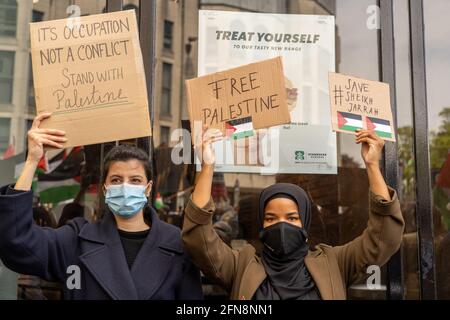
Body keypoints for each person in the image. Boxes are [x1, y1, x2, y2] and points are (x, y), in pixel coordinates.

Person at [182, 127, 405, 300]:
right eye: (271, 218)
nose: (281, 226)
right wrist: (207, 166)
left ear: (305, 222)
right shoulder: (241, 265)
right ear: (261, 224)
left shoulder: (333, 263)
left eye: (292, 218)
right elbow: (199, 238)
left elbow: (383, 238)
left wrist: (373, 165)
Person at [0, 113, 203, 300]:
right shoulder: (77, 239)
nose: (125, 187)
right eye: (116, 180)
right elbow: (18, 243)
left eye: (134, 180)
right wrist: (32, 160)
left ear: (148, 188)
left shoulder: (177, 245)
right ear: (105, 188)